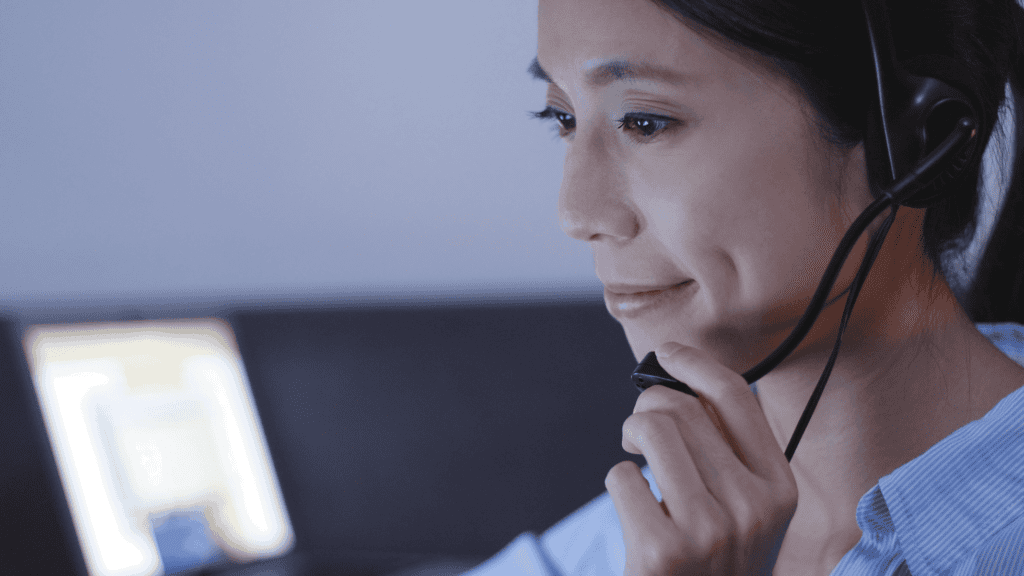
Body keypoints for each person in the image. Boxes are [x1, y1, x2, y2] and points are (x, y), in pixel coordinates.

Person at [462, 0, 1024, 574]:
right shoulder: (650, 530)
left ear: (915, 145)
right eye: (563, 117)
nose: (576, 214)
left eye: (644, 121)